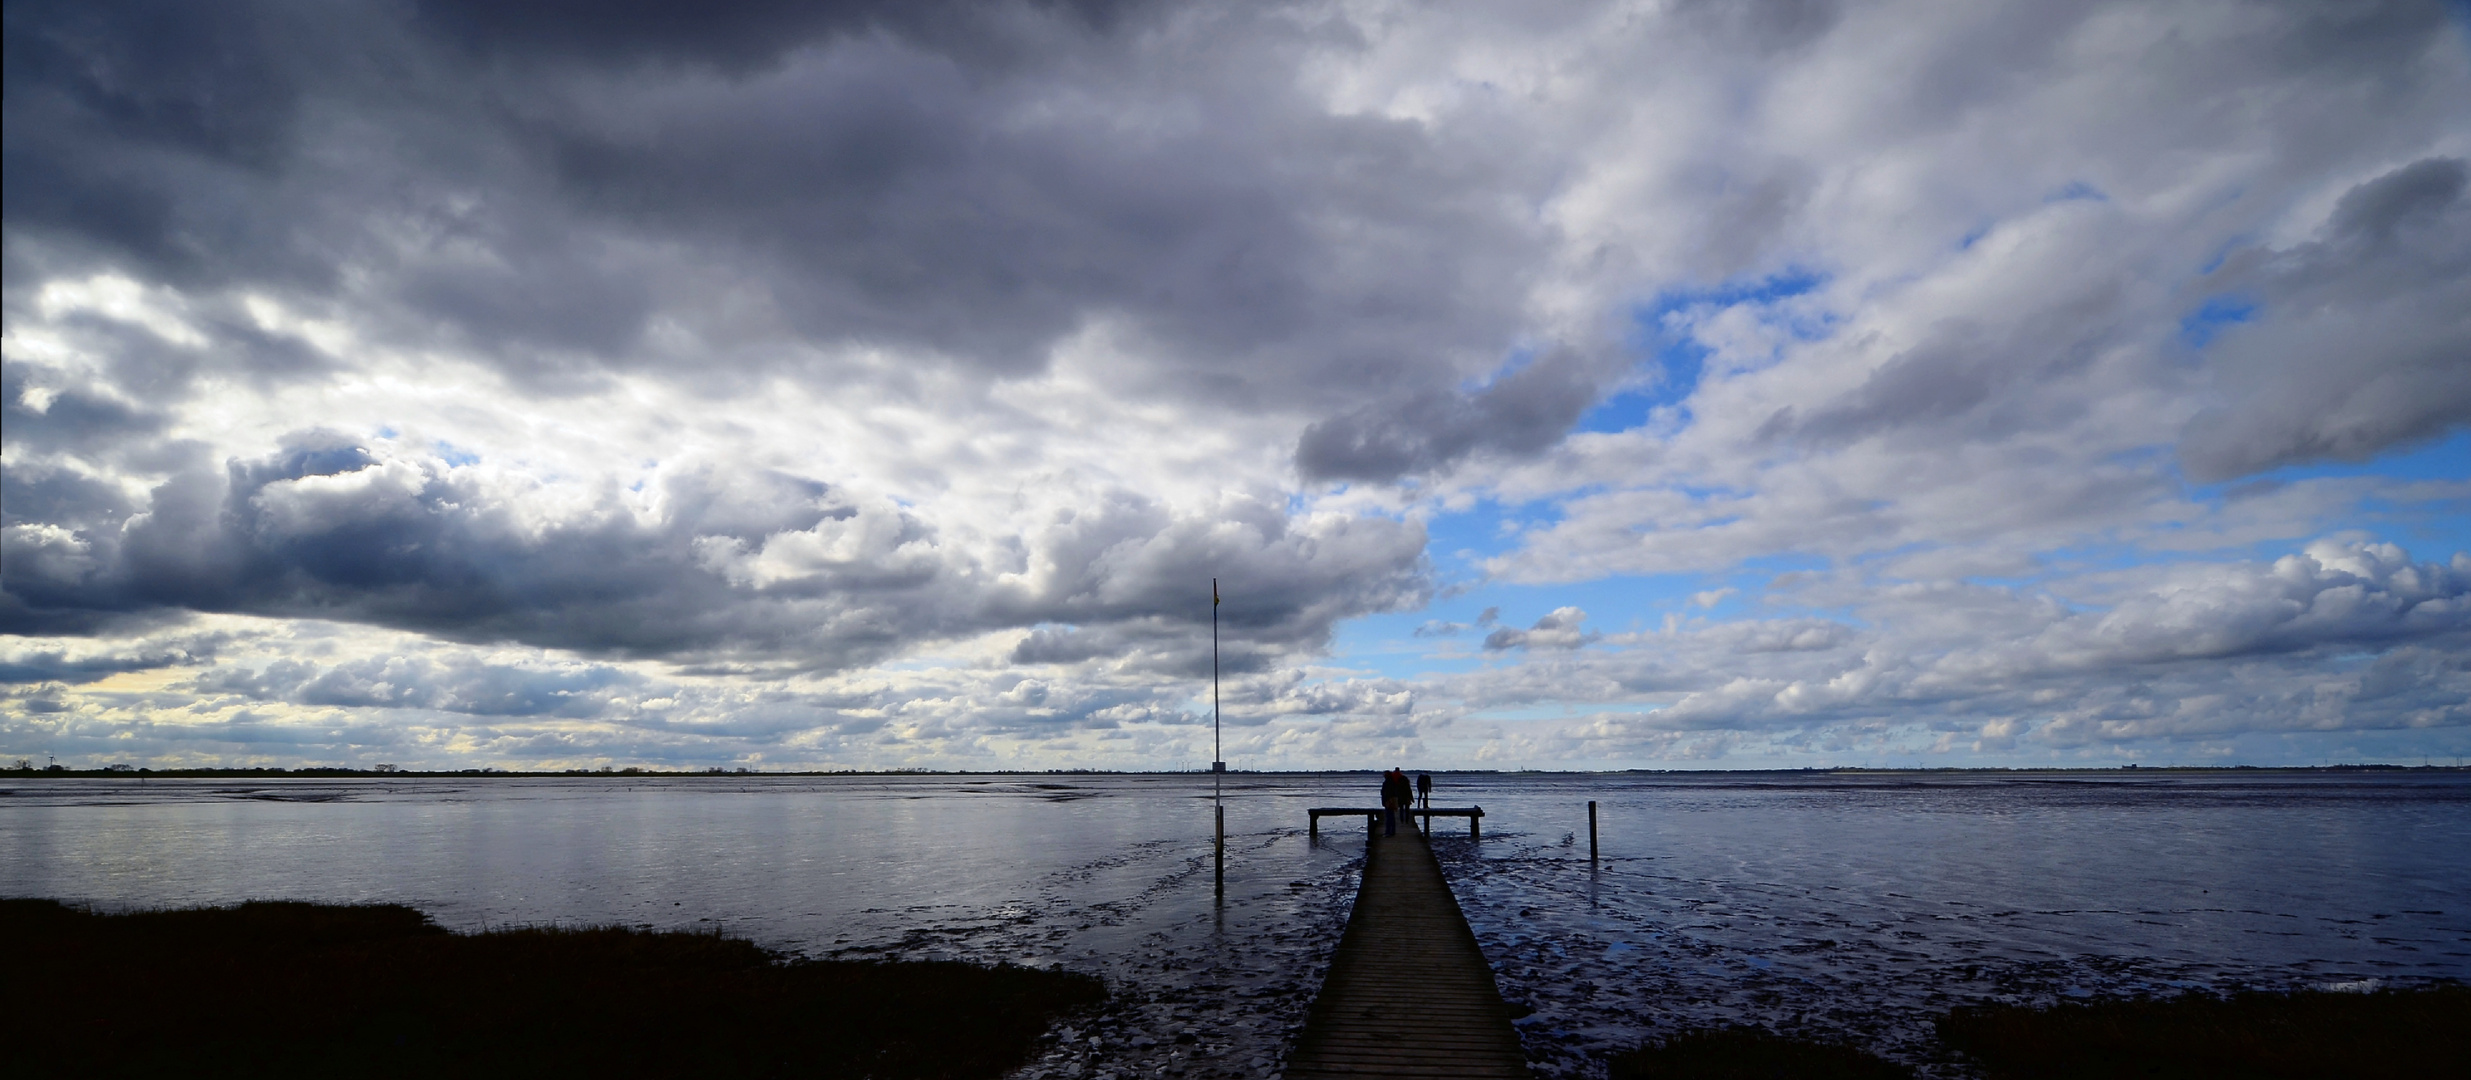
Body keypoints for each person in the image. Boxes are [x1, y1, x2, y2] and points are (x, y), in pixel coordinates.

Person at [1380, 767, 1412, 837]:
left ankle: (1389, 832)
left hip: (1390, 800)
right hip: (1395, 799)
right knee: (1392, 816)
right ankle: (1394, 829)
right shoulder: (1398, 779)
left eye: (1384, 774)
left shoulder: (1388, 782)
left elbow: (1387, 792)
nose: (1384, 776)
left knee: (1389, 817)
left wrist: (1387, 800)